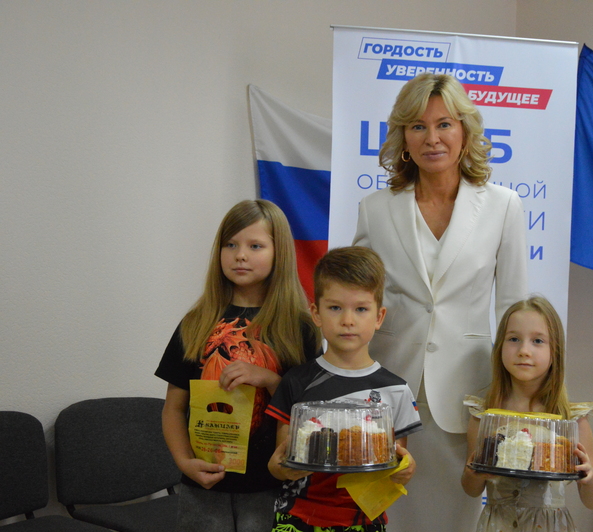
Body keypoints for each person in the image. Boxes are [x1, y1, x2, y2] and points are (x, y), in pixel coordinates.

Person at [352, 72, 528, 530]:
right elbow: (357, 302)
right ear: (404, 139)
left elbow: (513, 310)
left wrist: (513, 396)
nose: (432, 138)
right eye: (418, 126)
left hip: (467, 397)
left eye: (444, 124)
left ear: (465, 132)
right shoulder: (375, 208)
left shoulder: (503, 206)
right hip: (387, 393)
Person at [156, 199, 320, 532]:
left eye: (255, 246)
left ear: (279, 253)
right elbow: (173, 408)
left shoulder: (298, 327)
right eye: (230, 245)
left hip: (271, 487)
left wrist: (270, 379)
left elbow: (309, 412)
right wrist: (185, 462)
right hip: (204, 487)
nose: (240, 255)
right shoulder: (196, 323)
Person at [266, 246, 422, 532]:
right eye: (335, 308)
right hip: (298, 517)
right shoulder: (296, 381)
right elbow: (280, 464)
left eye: (361, 309)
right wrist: (280, 467)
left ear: (379, 316)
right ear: (316, 313)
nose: (348, 320)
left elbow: (394, 464)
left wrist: (406, 469)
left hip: (364, 520)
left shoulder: (397, 390)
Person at [461, 296, 593, 532]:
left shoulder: (572, 420)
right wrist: (474, 473)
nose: (524, 351)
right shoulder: (484, 415)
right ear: (500, 347)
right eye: (514, 339)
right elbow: (471, 489)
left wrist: (589, 477)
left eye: (538, 341)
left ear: (555, 351)